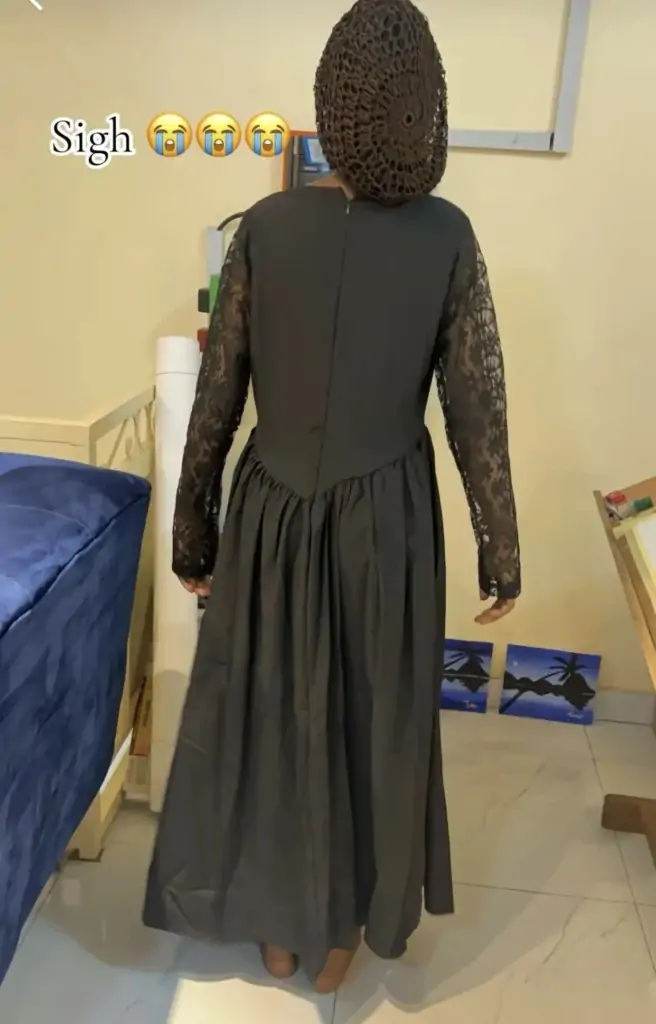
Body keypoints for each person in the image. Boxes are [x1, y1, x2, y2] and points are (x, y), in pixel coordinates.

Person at [143, 0, 521, 995]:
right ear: (425, 107)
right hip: (385, 517)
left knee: (270, 710)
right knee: (371, 719)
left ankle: (278, 924)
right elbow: (476, 405)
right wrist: (500, 548)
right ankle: (345, 928)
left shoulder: (264, 228)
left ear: (332, 103)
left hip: (271, 512)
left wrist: (193, 536)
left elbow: (217, 394)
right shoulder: (447, 236)